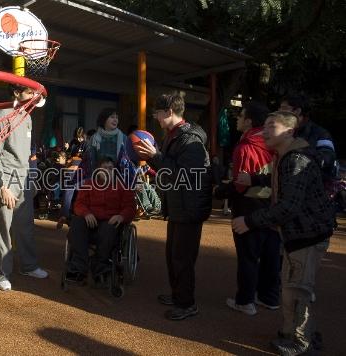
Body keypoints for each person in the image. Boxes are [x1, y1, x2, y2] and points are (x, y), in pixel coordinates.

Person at [232, 111, 335, 355]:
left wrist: (250, 221)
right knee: (291, 288)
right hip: (299, 234)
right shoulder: (284, 157)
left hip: (306, 235)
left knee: (297, 291)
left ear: (289, 131)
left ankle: (303, 343)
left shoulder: (295, 159)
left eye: (272, 126)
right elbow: (277, 181)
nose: (265, 131)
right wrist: (256, 178)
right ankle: (296, 333)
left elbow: (289, 206)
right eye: (265, 125)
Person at [136, 91, 212, 320]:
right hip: (180, 206)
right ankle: (179, 295)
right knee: (173, 255)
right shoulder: (175, 135)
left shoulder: (189, 140)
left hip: (189, 208)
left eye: (158, 113)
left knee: (182, 258)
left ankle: (186, 303)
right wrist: (154, 162)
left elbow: (186, 176)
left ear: (169, 112)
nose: (156, 118)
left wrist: (156, 157)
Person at [0, 84, 48, 291]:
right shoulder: (2, 114)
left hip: (24, 178)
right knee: (3, 227)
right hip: (6, 177)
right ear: (16, 92)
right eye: (29, 92)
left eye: (34, 93)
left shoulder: (28, 117)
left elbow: (26, 153)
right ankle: (1, 274)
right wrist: (2, 186)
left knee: (25, 225)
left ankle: (29, 266)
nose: (33, 97)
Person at [222, 102, 281, 315]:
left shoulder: (246, 146)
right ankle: (269, 297)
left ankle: (245, 300)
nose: (237, 119)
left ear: (248, 121)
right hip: (274, 206)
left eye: (240, 116)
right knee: (271, 254)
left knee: (248, 256)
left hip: (248, 205)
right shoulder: (275, 143)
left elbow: (240, 183)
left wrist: (224, 189)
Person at [65, 157, 136, 285]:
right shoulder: (88, 184)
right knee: (76, 222)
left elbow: (130, 207)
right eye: (105, 168)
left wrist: (121, 216)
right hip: (90, 222)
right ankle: (79, 268)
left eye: (110, 168)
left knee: (109, 228)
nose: (108, 171)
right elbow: (79, 204)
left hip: (110, 223)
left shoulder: (122, 187)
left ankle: (99, 265)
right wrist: (86, 213)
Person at [85, 108, 127, 173]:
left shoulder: (123, 138)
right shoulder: (94, 138)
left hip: (118, 177)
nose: (115, 120)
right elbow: (91, 161)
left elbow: (127, 161)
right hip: (99, 176)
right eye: (112, 117)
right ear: (104, 119)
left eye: (117, 118)